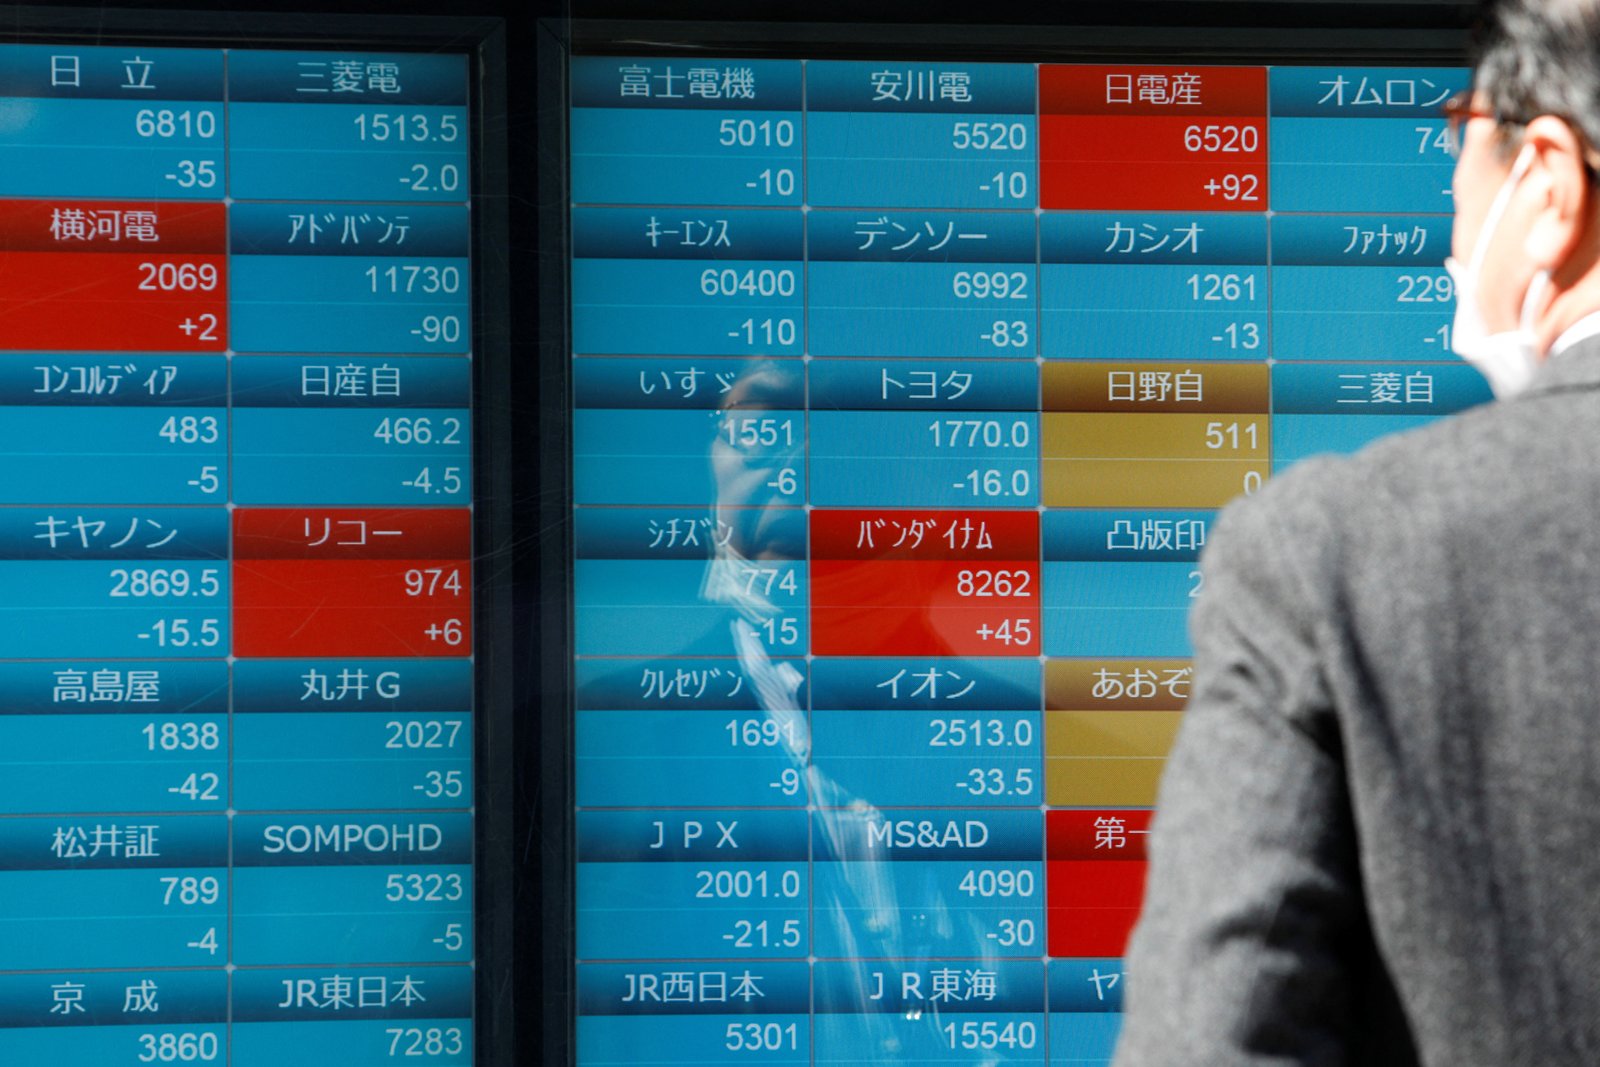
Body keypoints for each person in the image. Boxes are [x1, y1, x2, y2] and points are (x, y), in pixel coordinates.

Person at [1112, 1, 1600, 1063]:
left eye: (1458, 171)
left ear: (1552, 188)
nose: (1450, 240)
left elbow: (1214, 1034)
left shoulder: (1324, 556)